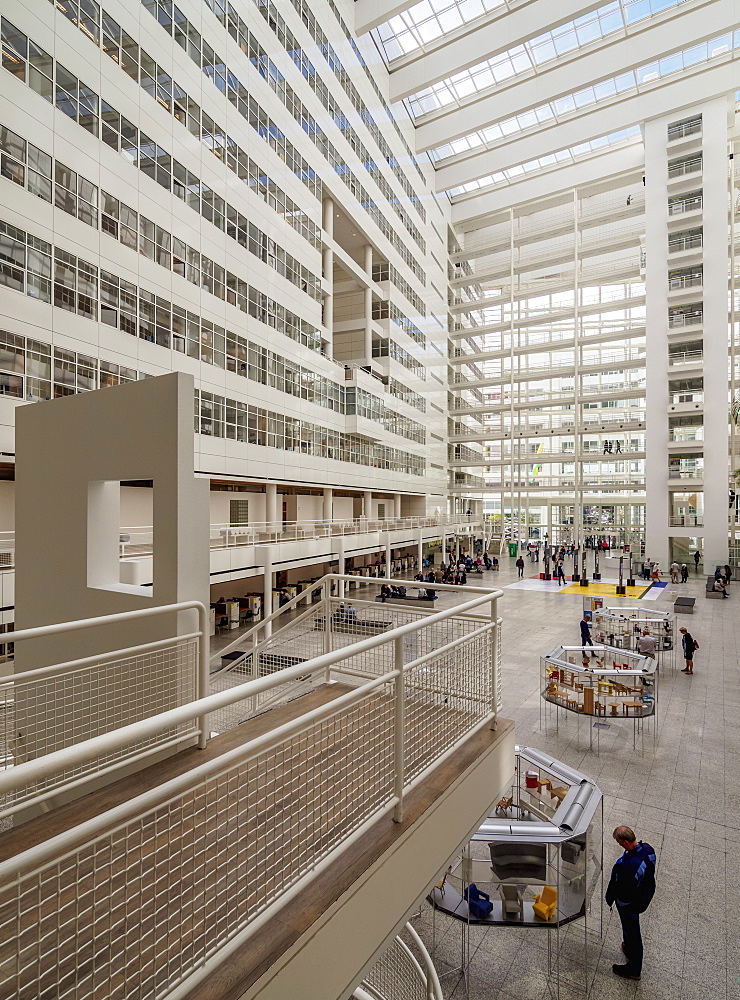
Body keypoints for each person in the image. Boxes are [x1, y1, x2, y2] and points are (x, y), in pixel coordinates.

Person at [605, 826, 656, 981]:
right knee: (629, 930)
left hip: (630, 903)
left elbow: (622, 887)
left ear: (626, 842)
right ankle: (628, 946)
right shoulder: (648, 849)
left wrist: (618, 900)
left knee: (633, 931)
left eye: (619, 843)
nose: (619, 846)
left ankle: (634, 969)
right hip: (643, 895)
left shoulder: (630, 866)